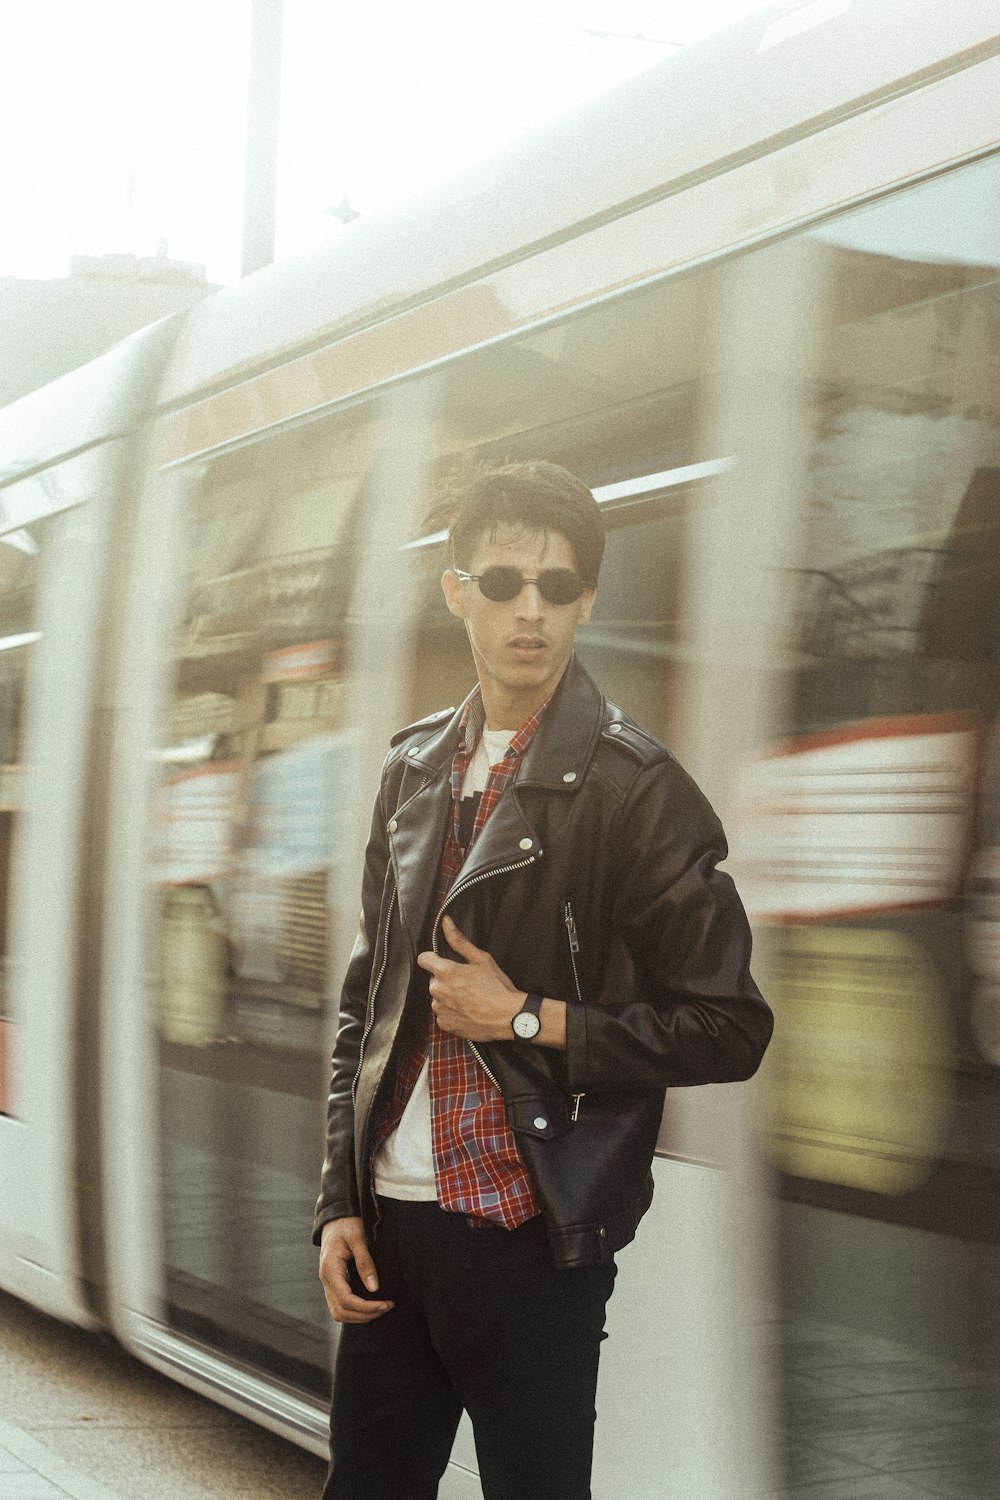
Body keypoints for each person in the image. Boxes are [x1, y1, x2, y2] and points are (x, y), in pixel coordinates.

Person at [313, 460, 773, 1500]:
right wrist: (340, 1199)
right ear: (454, 590)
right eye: (504, 582)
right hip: (392, 1230)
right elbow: (367, 1006)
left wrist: (523, 1016)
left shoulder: (635, 787)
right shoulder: (412, 769)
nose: (531, 610)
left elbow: (726, 1026)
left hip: (526, 1236)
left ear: (587, 601)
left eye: (557, 588)